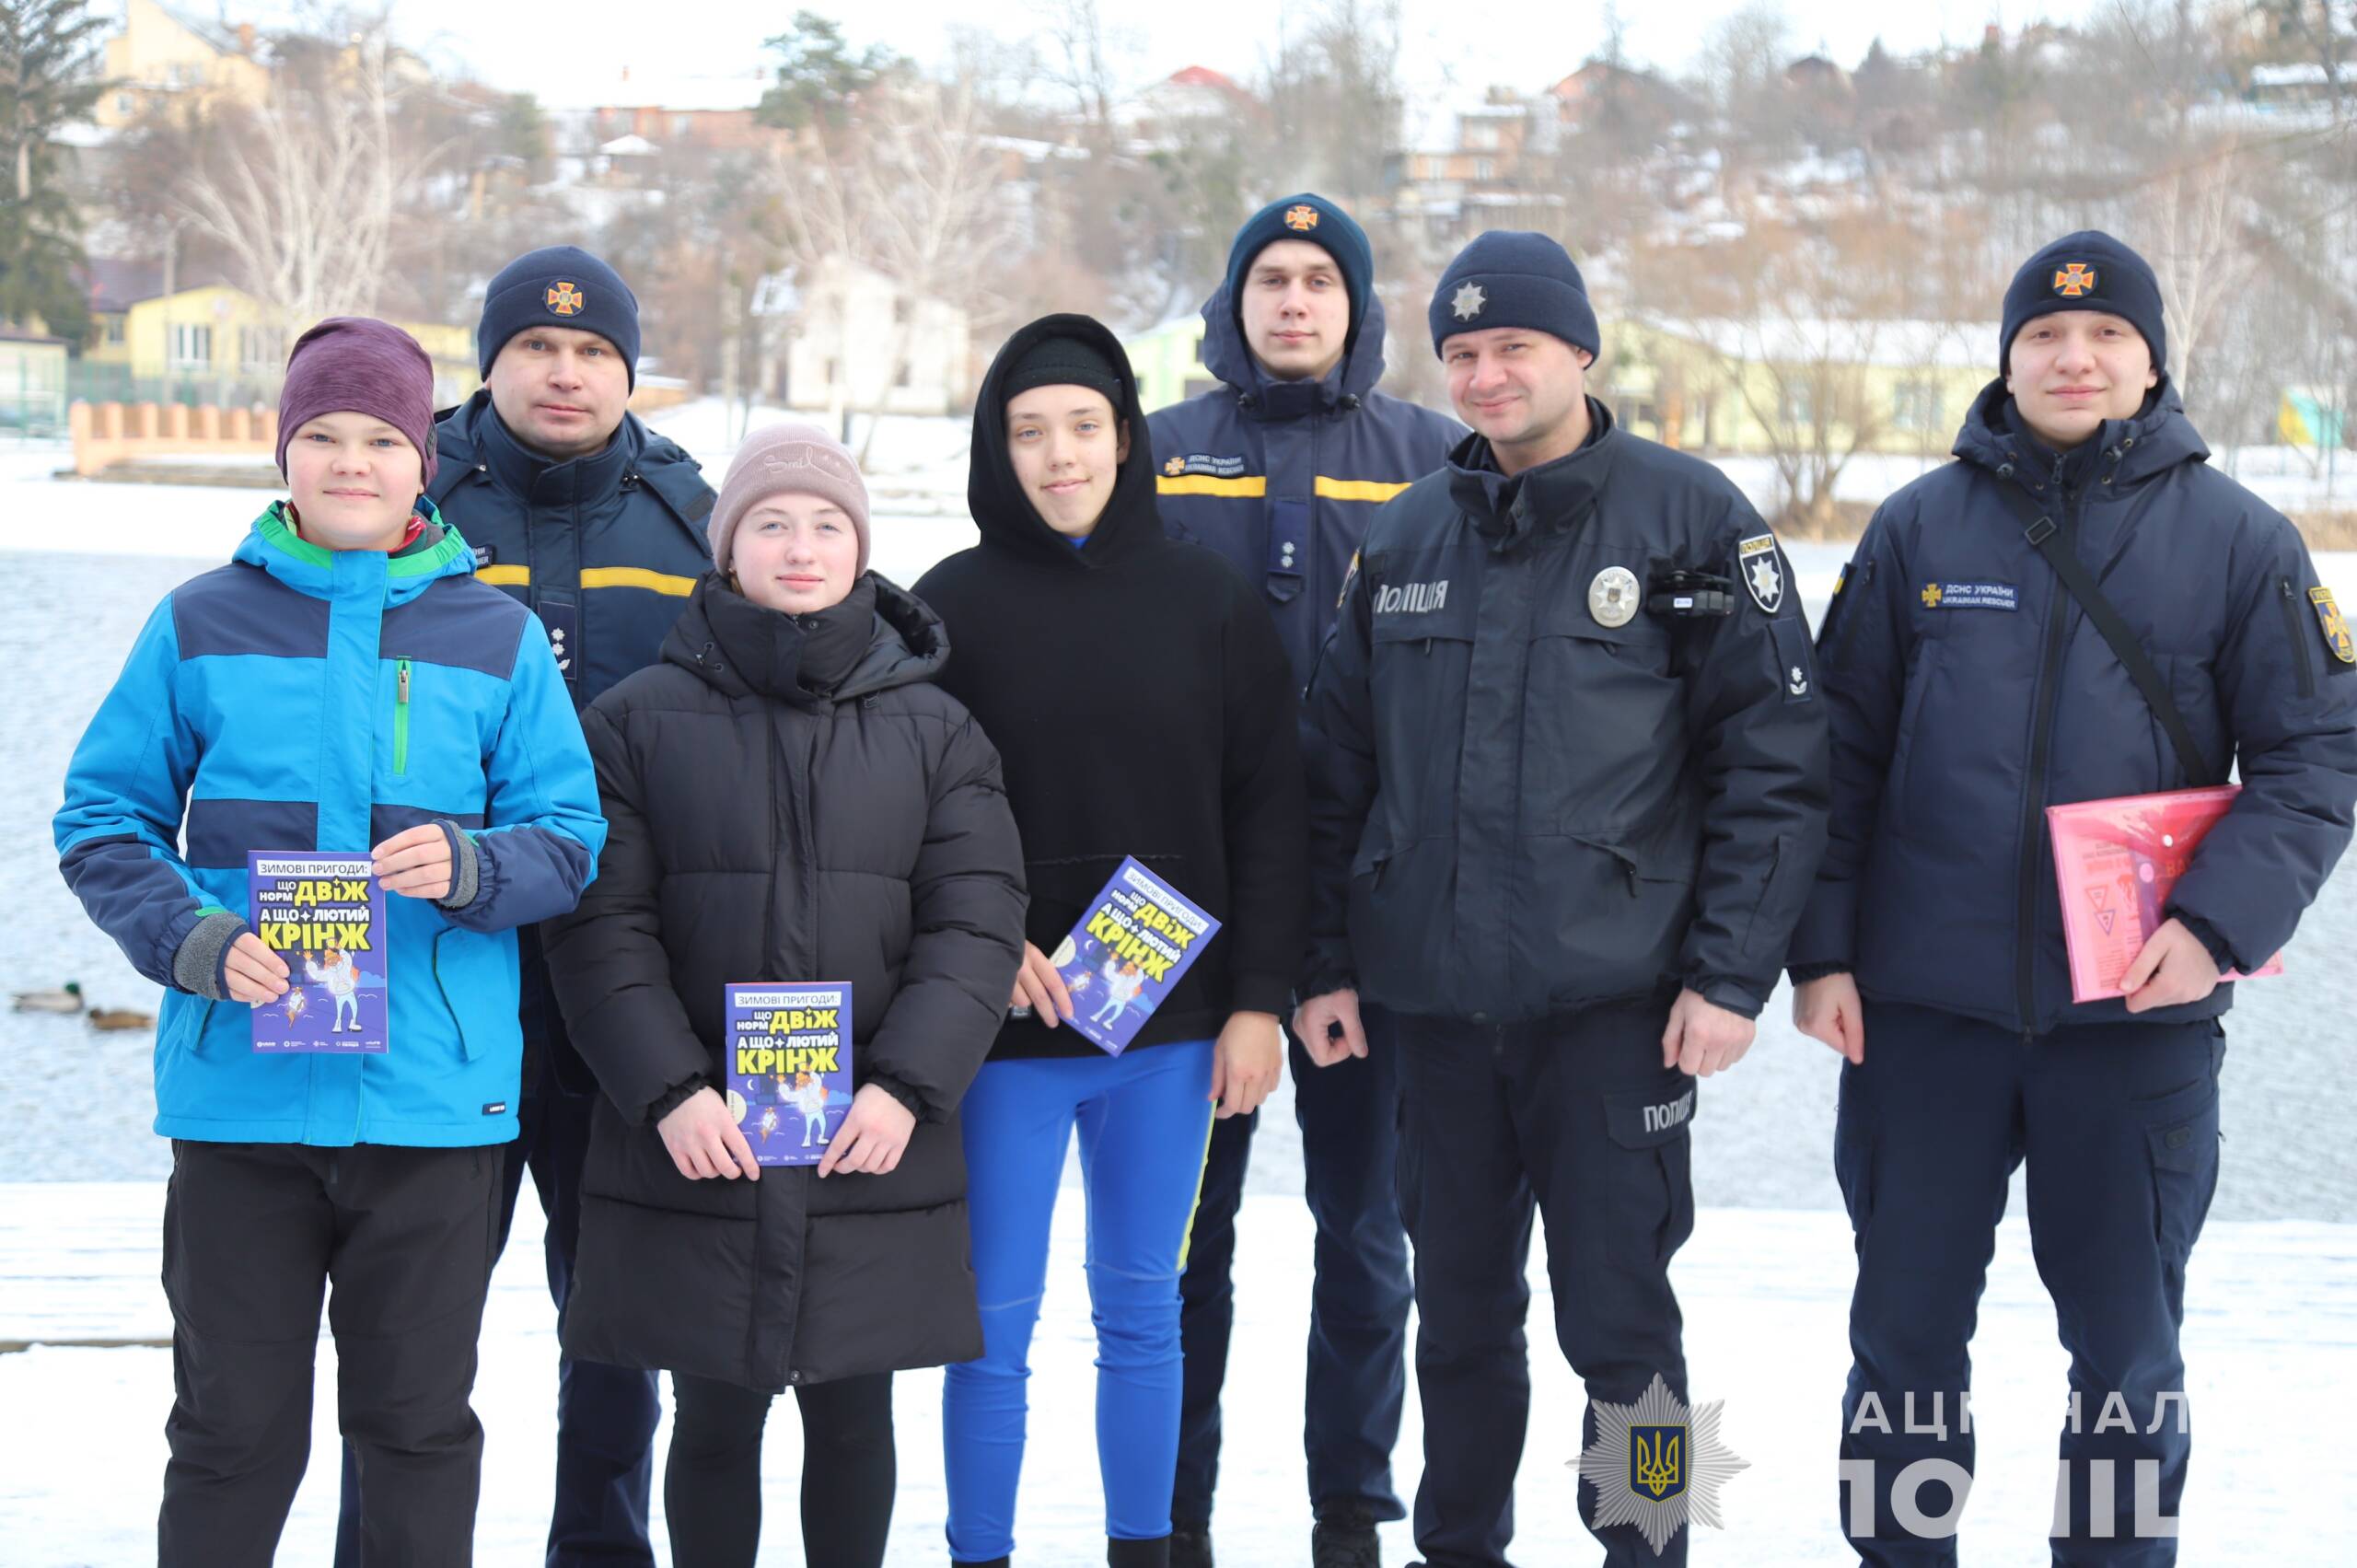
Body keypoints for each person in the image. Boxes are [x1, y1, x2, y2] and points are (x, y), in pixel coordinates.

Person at [1786, 231, 2357, 1565]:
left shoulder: (2241, 539)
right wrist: (1820, 952)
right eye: (2045, 333)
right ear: (2007, 357)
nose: (2073, 354)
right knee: (1907, 1342)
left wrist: (2217, 925)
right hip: (1922, 1019)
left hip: (2135, 1025)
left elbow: (2316, 751)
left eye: (2105, 336)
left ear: (2154, 360)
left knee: (2123, 1357)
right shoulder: (1918, 525)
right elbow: (1834, 751)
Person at [1294, 231, 1829, 1568]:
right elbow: (1332, 773)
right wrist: (1320, 962)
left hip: (1618, 1013)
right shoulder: (1406, 533)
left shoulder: (1690, 519)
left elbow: (1775, 763)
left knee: (1627, 1325)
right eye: (1462, 352)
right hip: (1435, 1012)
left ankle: (1650, 1545)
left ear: (1580, 351)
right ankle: (1457, 1544)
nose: (1484, 375)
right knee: (1459, 1322)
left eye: (1512, 348)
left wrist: (1728, 975)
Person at [54, 317, 606, 1566]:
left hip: (433, 1108)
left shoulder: (497, 638)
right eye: (323, 437)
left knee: (413, 1427)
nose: (351, 462)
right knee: (231, 1427)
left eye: (380, 439)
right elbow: (101, 816)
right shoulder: (198, 621)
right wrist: (192, 935)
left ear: (424, 463)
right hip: (239, 1103)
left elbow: (572, 835)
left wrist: (475, 865)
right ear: (284, 455)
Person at [540, 423, 1026, 1568]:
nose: (799, 545)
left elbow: (977, 920)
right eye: (770, 521)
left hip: (870, 1127)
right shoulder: (631, 722)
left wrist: (907, 1085)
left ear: (860, 548)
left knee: (855, 1414)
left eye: (826, 523)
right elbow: (602, 925)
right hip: (702, 1132)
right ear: (726, 549)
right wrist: (669, 1091)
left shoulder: (938, 728)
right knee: (713, 1414)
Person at [336, 244, 716, 1567]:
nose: (566, 372)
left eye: (595, 353)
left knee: (613, 1328)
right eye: (538, 348)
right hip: (434, 990)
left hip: (616, 994)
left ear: (627, 371)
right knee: (406, 1326)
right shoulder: (398, 489)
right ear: (488, 359)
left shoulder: (689, 520)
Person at [916, 315, 1307, 1568]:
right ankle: (983, 1548)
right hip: (1008, 1030)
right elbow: (913, 815)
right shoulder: (946, 609)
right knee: (993, 1322)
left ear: (1126, 437)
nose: (1059, 454)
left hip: (1172, 1032)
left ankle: (1144, 1545)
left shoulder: (1208, 599)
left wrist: (1260, 998)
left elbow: (1271, 806)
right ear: (997, 448)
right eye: (1029, 431)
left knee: (1144, 1308)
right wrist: (978, 945)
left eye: (1083, 425)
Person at [1146, 192, 1461, 1568]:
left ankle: (1352, 1501)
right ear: (1233, 300)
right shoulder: (1156, 453)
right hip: (1178, 907)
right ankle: (1168, 1500)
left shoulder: (1434, 459)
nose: (1292, 301)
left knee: (1366, 1223)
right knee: (1179, 1233)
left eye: (1319, 281)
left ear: (1358, 306)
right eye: (1268, 278)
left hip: (1365, 903)